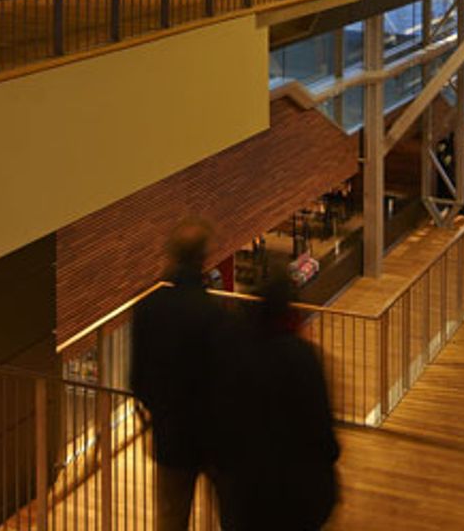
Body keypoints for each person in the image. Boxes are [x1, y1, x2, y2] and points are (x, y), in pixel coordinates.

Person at [217, 272, 340, 530]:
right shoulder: (302, 358)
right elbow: (320, 428)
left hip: (246, 493)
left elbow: (223, 417)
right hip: (296, 495)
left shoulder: (235, 353)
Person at [129, 219, 229, 531]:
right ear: (203, 259)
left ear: (172, 256)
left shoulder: (148, 308)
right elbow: (225, 378)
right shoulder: (214, 313)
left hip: (170, 435)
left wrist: (159, 412)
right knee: (228, 515)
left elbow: (138, 378)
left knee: (171, 519)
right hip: (214, 437)